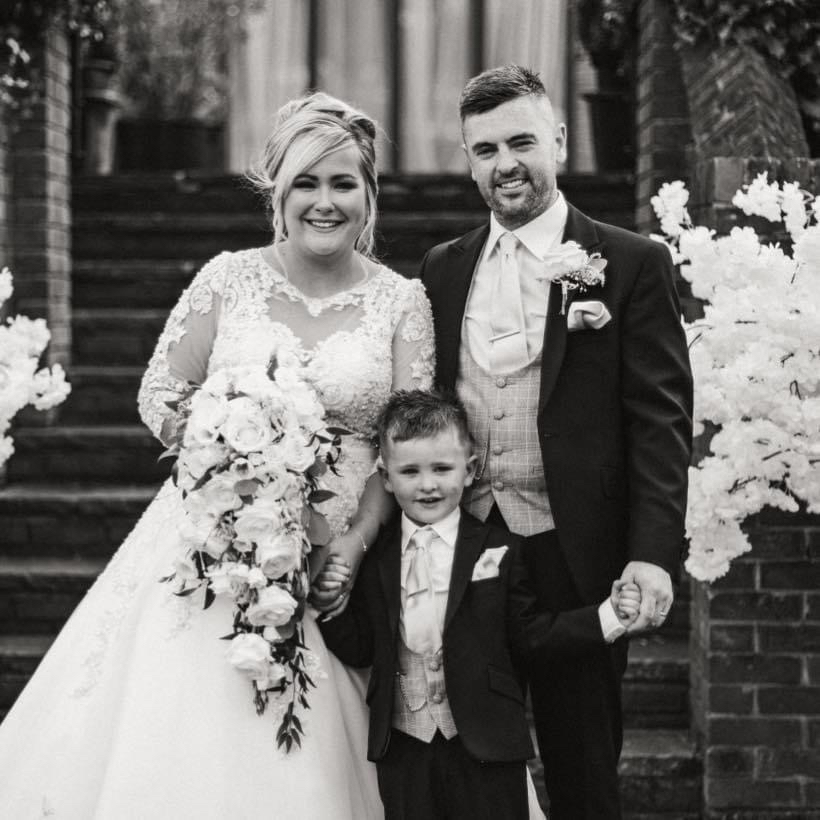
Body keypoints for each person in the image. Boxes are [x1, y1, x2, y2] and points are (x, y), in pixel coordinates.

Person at [0, 92, 434, 818]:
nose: (323, 202)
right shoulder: (228, 278)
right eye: (305, 182)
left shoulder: (404, 301)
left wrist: (353, 546)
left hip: (346, 560)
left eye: (342, 183)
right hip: (216, 543)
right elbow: (159, 394)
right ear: (277, 190)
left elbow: (408, 441)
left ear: (369, 194)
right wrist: (233, 458)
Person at [418, 65, 693, 819]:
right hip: (471, 548)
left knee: (582, 770)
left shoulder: (630, 262)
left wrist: (651, 551)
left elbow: (661, 421)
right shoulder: (442, 270)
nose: (503, 163)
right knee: (472, 763)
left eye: (520, 141)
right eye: (483, 150)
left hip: (581, 556)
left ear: (560, 141)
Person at [319, 389, 643, 820]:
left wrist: (606, 617)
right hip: (404, 748)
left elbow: (531, 636)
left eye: (441, 468)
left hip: (487, 747)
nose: (428, 484)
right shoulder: (377, 559)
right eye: (410, 471)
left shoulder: (502, 549)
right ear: (385, 475)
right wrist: (330, 606)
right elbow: (361, 647)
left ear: (470, 470)